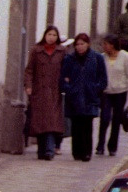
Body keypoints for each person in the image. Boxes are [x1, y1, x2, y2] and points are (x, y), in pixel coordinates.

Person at [60, 33, 108, 162]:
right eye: (77, 44)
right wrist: (69, 89)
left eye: (82, 44)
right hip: (74, 97)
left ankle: (87, 152)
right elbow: (63, 78)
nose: (80, 47)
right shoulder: (69, 59)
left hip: (89, 97)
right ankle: (77, 152)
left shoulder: (97, 58)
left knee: (87, 125)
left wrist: (95, 89)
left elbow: (103, 79)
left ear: (88, 44)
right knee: (76, 125)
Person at [24, 25, 67, 160]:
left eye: (54, 35)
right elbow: (29, 70)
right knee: (40, 122)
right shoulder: (36, 50)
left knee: (51, 122)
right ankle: (41, 150)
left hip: (55, 91)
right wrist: (29, 86)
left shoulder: (62, 51)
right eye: (49, 35)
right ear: (45, 35)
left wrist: (65, 83)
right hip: (39, 90)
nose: (51, 38)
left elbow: (66, 69)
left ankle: (49, 150)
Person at [96, 34, 128, 157]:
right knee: (105, 118)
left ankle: (112, 147)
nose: (103, 46)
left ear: (112, 45)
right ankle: (100, 145)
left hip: (120, 92)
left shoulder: (125, 57)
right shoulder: (102, 58)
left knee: (116, 120)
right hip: (106, 92)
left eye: (105, 44)